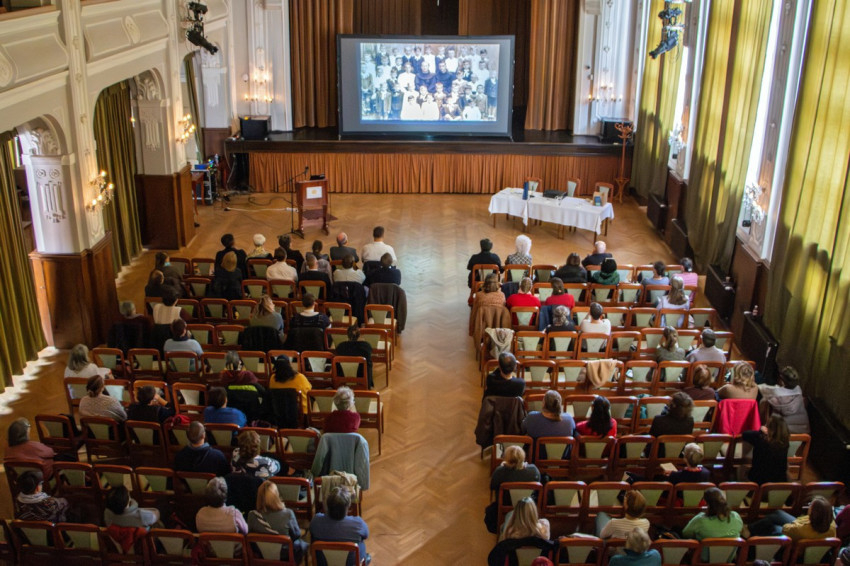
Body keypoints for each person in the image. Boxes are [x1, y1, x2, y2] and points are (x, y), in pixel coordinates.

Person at [247, 481, 308, 561]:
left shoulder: (252, 515)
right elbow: (296, 535)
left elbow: (250, 536)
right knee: (302, 544)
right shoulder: (288, 514)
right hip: (285, 556)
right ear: (276, 495)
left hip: (261, 555)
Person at [311, 486, 370, 565]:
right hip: (350, 563)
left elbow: (312, 531)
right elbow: (366, 535)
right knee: (361, 542)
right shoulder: (358, 524)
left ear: (327, 505)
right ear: (347, 507)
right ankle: (364, 559)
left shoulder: (316, 521)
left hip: (323, 562)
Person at [749, 496, 835, 541]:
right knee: (778, 514)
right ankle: (751, 529)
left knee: (773, 526)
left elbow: (786, 528)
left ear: (813, 514)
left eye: (810, 506)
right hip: (800, 526)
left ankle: (751, 536)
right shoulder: (832, 526)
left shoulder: (800, 529)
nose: (808, 507)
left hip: (793, 536)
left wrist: (798, 522)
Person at [758, 366, 810, 433]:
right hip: (802, 436)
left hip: (781, 436)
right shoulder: (800, 394)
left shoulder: (774, 395)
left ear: (781, 380)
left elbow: (761, 390)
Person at [742, 414, 790, 484]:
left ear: (769, 428)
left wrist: (760, 431)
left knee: (741, 469)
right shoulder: (785, 443)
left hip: (759, 480)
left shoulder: (760, 439)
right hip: (779, 481)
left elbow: (745, 434)